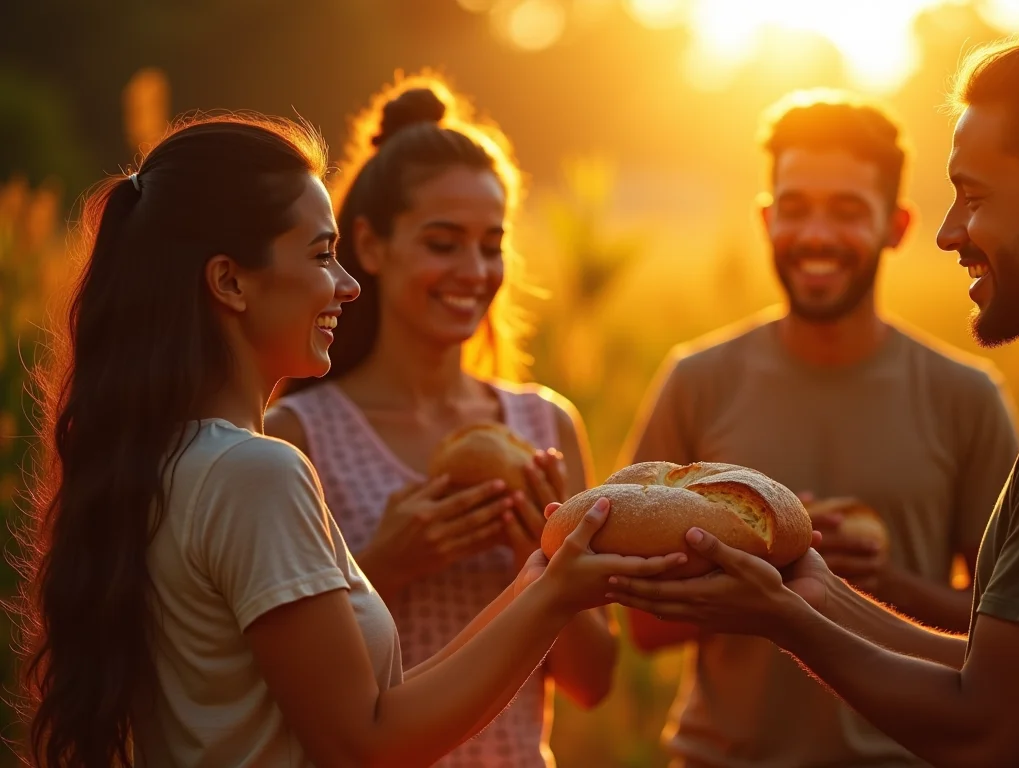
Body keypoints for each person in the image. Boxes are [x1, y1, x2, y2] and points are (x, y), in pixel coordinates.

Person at [609, 33, 1019, 768]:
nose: (948, 232)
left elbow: (983, 730)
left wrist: (784, 622)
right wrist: (820, 593)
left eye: (975, 196)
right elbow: (996, 671)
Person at [16, 113, 686, 768]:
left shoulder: (167, 457)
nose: (346, 285)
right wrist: (553, 595)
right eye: (321, 255)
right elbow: (368, 745)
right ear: (230, 282)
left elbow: (380, 705)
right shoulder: (258, 470)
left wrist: (540, 579)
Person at [619, 89, 1019, 766]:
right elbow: (643, 627)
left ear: (895, 226)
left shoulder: (967, 397)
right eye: (795, 209)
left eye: (847, 211)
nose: (816, 236)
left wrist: (880, 584)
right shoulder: (696, 380)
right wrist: (753, 575)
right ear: (766, 219)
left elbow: (1012, 633)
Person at [265, 72, 615, 766]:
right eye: (443, 242)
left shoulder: (546, 425)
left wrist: (541, 573)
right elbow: (274, 678)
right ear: (370, 244)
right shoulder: (297, 434)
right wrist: (384, 565)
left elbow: (591, 681)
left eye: (492, 245)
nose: (474, 270)